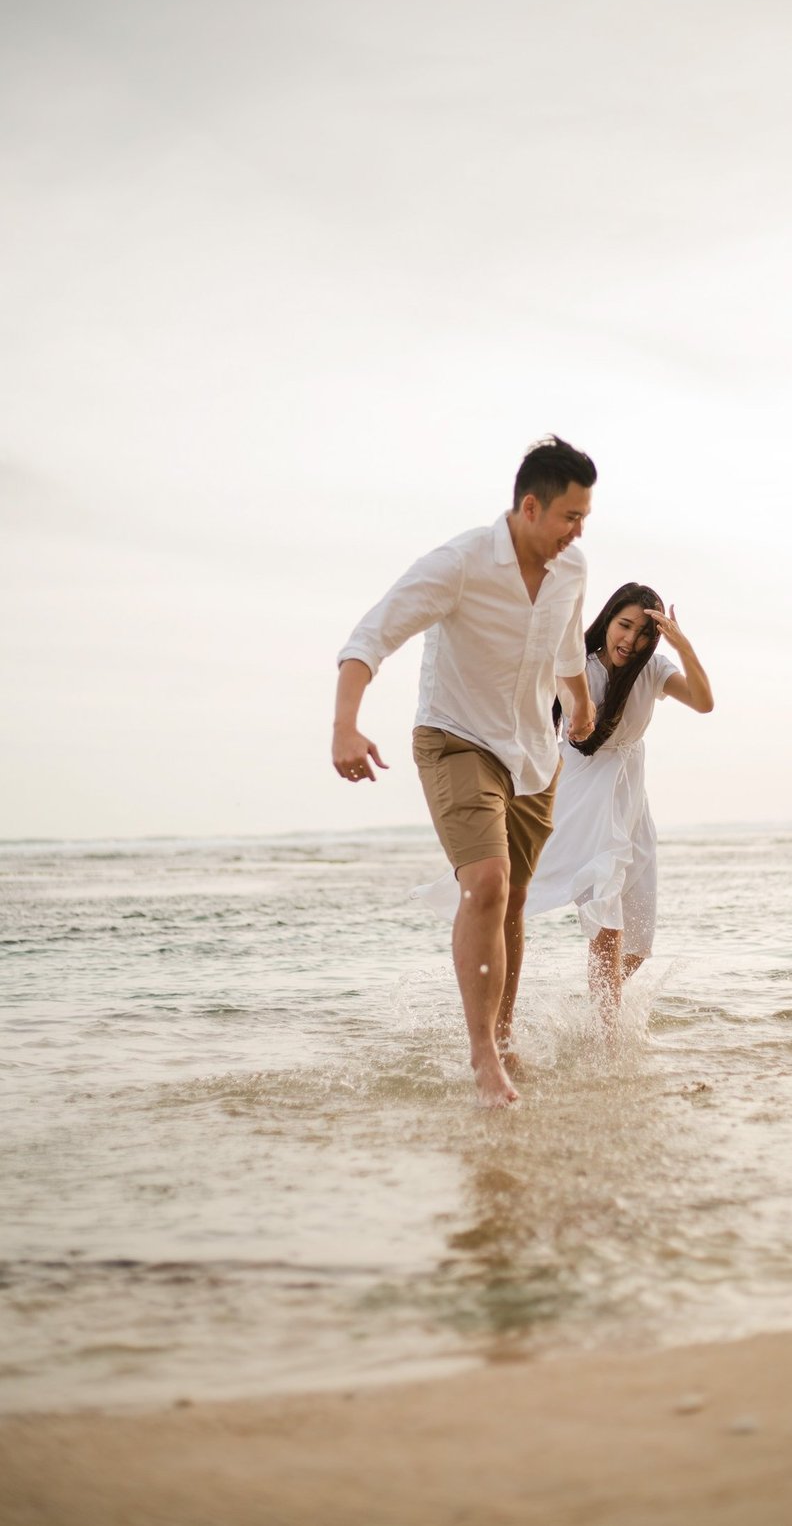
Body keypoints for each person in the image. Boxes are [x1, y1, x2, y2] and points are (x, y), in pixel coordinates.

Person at [332, 436, 599, 1107]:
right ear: (530, 507)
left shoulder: (571, 571)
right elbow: (371, 636)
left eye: (585, 519)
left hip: (535, 755)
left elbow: (566, 644)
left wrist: (584, 704)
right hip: (455, 739)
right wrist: (345, 725)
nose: (578, 531)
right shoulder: (459, 564)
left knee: (508, 901)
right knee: (485, 881)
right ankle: (483, 1058)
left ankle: (502, 1039)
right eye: (570, 517)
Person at [525, 582, 714, 1018]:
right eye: (624, 625)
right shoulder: (577, 666)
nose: (631, 640)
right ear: (608, 621)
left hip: (630, 793)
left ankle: (593, 1010)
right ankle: (605, 1042)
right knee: (607, 921)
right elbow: (573, 717)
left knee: (638, 942)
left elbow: (704, 703)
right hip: (583, 790)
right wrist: (578, 719)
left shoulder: (656, 669)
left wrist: (682, 645)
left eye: (643, 633)